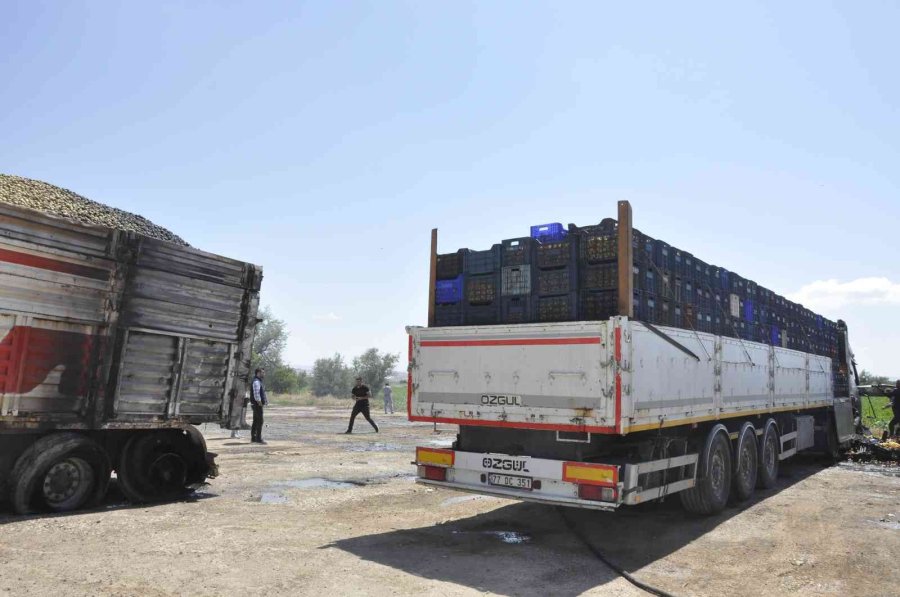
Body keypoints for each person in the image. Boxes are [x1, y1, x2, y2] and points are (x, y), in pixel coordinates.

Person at [250, 368, 268, 444]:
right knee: (260, 421)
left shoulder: (258, 381)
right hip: (257, 405)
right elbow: (256, 394)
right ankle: (258, 438)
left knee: (256, 421)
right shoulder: (256, 381)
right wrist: (260, 403)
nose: (264, 374)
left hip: (256, 404)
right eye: (262, 372)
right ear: (258, 373)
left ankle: (254, 438)